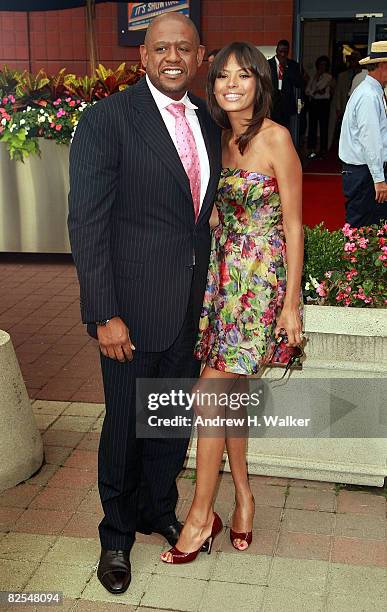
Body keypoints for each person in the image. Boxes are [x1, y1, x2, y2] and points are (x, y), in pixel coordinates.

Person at [68, 13, 221, 593]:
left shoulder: (208, 124)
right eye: (162, 48)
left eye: (184, 48)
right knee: (126, 426)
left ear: (200, 55)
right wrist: (103, 313)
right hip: (128, 314)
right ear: (143, 57)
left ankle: (160, 508)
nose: (173, 57)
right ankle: (116, 535)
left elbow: (198, 222)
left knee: (170, 421)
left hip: (188, 310)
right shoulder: (108, 120)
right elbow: (87, 223)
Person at [160, 41, 304, 564]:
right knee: (229, 400)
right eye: (222, 77)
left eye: (243, 75)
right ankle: (243, 500)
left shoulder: (277, 138)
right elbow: (222, 210)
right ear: (214, 87)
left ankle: (200, 517)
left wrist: (290, 304)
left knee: (208, 395)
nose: (232, 84)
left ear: (259, 83)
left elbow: (293, 223)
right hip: (224, 279)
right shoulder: (220, 138)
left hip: (260, 283)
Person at [339, 40, 387, 228]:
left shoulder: (372, 91)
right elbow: (371, 140)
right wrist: (379, 179)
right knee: (362, 226)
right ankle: (352, 258)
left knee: (372, 224)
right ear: (383, 65)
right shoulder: (369, 95)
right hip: (364, 172)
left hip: (364, 171)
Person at [328, 51, 362, 150]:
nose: (354, 62)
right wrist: (338, 107)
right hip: (344, 105)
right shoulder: (342, 75)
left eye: (356, 60)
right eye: (352, 60)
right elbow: (338, 92)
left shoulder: (363, 75)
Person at [268, 39, 303, 130]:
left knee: (285, 129)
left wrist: (286, 68)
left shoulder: (292, 65)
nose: (283, 54)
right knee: (271, 129)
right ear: (276, 50)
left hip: (286, 103)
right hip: (272, 102)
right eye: (281, 51)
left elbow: (298, 83)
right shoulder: (268, 64)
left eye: (285, 52)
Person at [306, 55, 333, 158]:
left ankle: (323, 149)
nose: (322, 67)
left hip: (323, 103)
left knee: (323, 126)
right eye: (320, 64)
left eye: (324, 65)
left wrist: (313, 91)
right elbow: (307, 90)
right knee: (312, 126)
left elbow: (320, 87)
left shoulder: (328, 77)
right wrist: (314, 91)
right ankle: (311, 149)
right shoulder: (314, 76)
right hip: (314, 102)